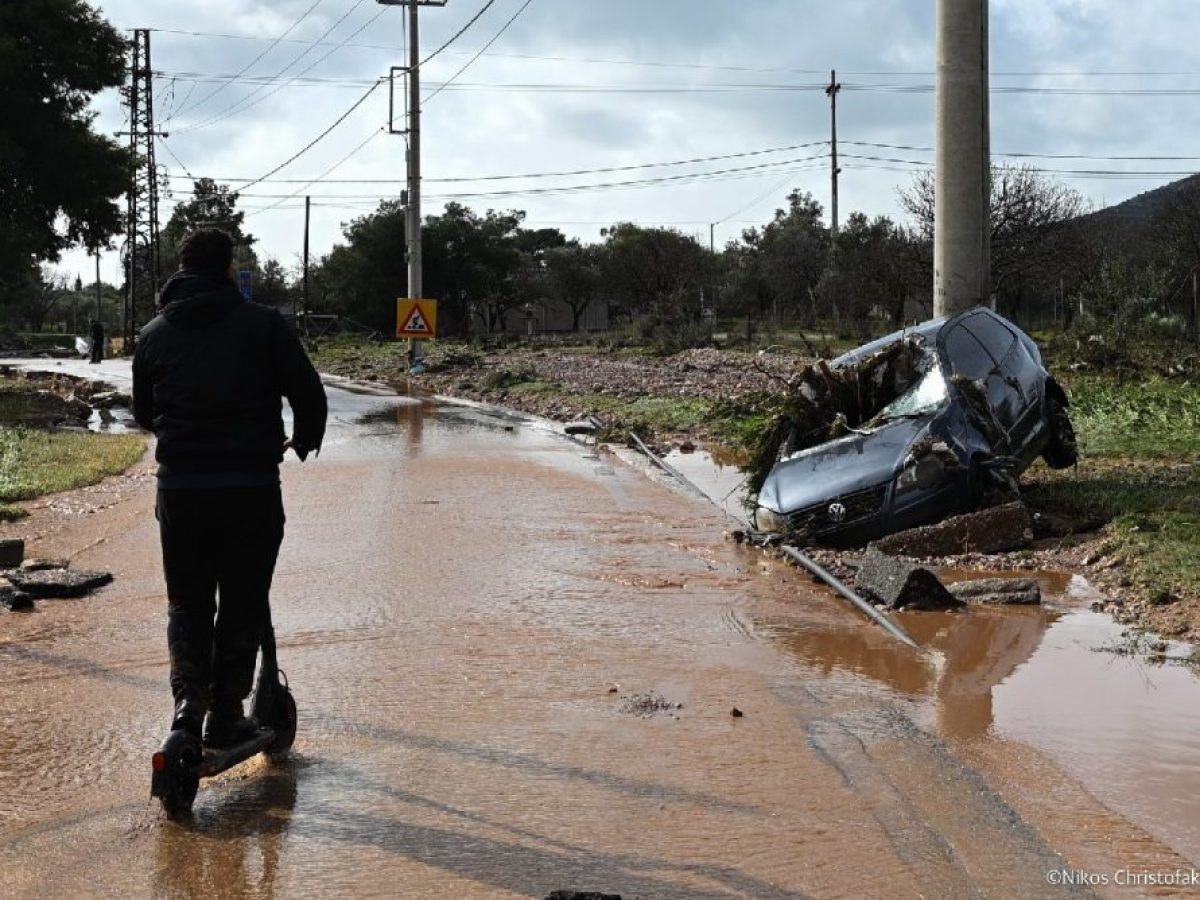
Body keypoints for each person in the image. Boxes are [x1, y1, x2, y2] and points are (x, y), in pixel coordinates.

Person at [133, 229, 327, 748]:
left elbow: (143, 413)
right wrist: (303, 440)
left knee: (188, 602)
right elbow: (308, 392)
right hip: (250, 488)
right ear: (227, 271)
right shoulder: (263, 326)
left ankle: (185, 706)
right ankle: (225, 712)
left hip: (181, 493)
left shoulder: (152, 335)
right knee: (243, 599)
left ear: (180, 270)